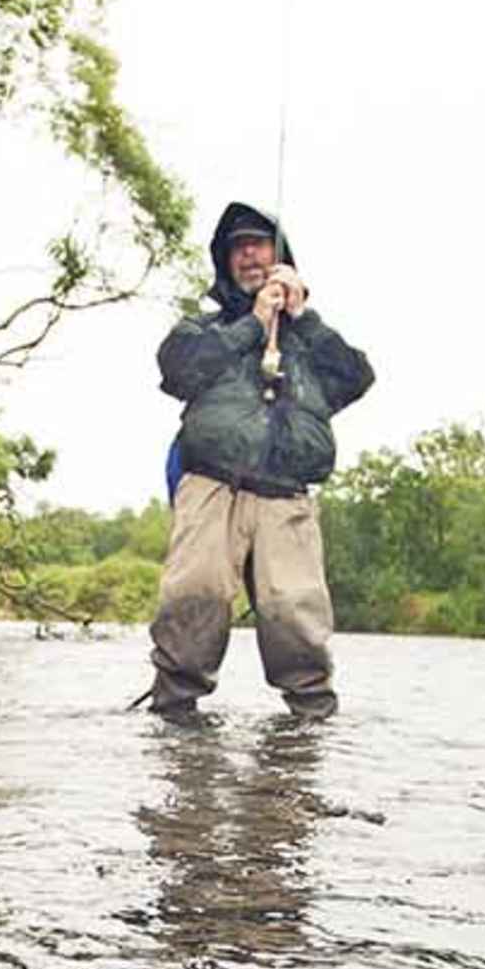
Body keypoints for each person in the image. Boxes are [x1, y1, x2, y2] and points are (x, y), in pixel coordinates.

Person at [146, 200, 375, 717]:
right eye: (237, 248)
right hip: (212, 488)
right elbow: (179, 371)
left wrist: (301, 317)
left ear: (281, 257)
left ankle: (309, 731)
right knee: (194, 597)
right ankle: (174, 722)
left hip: (286, 496)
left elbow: (356, 378)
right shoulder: (200, 330)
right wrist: (253, 323)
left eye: (259, 244)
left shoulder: (311, 341)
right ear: (224, 261)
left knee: (295, 613)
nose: (249, 255)